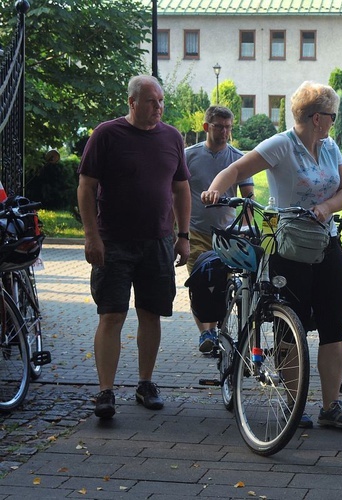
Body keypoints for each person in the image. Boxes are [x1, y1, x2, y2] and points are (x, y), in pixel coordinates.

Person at [201, 81, 342, 429]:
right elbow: (237, 170)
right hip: (287, 246)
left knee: (334, 325)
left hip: (326, 242)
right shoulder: (282, 145)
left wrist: (326, 207)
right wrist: (215, 190)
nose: (334, 122)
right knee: (293, 327)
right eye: (331, 116)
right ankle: (293, 402)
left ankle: (331, 405)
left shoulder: (331, 147)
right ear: (317, 117)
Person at [77, 75, 191, 419]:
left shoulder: (172, 137)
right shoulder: (107, 134)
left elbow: (181, 189)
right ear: (132, 103)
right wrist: (91, 236)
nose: (158, 108)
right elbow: (85, 187)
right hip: (113, 241)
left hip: (157, 241)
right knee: (111, 314)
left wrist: (183, 235)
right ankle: (105, 391)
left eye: (161, 102)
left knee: (151, 313)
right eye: (151, 102)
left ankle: (145, 383)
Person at [185, 106, 254, 353]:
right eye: (218, 126)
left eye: (228, 127)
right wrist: (177, 230)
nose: (224, 131)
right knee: (199, 283)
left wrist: (247, 227)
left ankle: (215, 331)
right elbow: (177, 193)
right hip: (196, 231)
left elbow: (249, 198)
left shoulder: (237, 158)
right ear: (206, 127)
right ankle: (206, 332)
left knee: (222, 285)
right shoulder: (189, 156)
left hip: (226, 235)